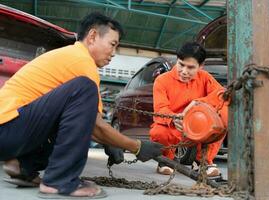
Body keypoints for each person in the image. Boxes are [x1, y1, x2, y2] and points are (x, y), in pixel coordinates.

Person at [0, 12, 162, 198]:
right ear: (92, 36)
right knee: (84, 88)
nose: (113, 53)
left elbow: (87, 122)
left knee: (66, 112)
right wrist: (137, 146)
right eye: (112, 44)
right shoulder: (82, 62)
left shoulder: (70, 55)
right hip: (8, 129)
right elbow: (95, 126)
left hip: (8, 131)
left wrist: (111, 141)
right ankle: (61, 181)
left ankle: (23, 166)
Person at [149, 42, 227, 176]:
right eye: (181, 64)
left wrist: (198, 102)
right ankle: (166, 160)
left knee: (225, 112)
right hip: (175, 127)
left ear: (201, 66)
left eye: (190, 67)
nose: (184, 71)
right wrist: (174, 118)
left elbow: (222, 95)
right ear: (177, 60)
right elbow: (160, 108)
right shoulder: (162, 80)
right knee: (158, 132)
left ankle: (204, 160)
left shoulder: (205, 77)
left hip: (200, 127)